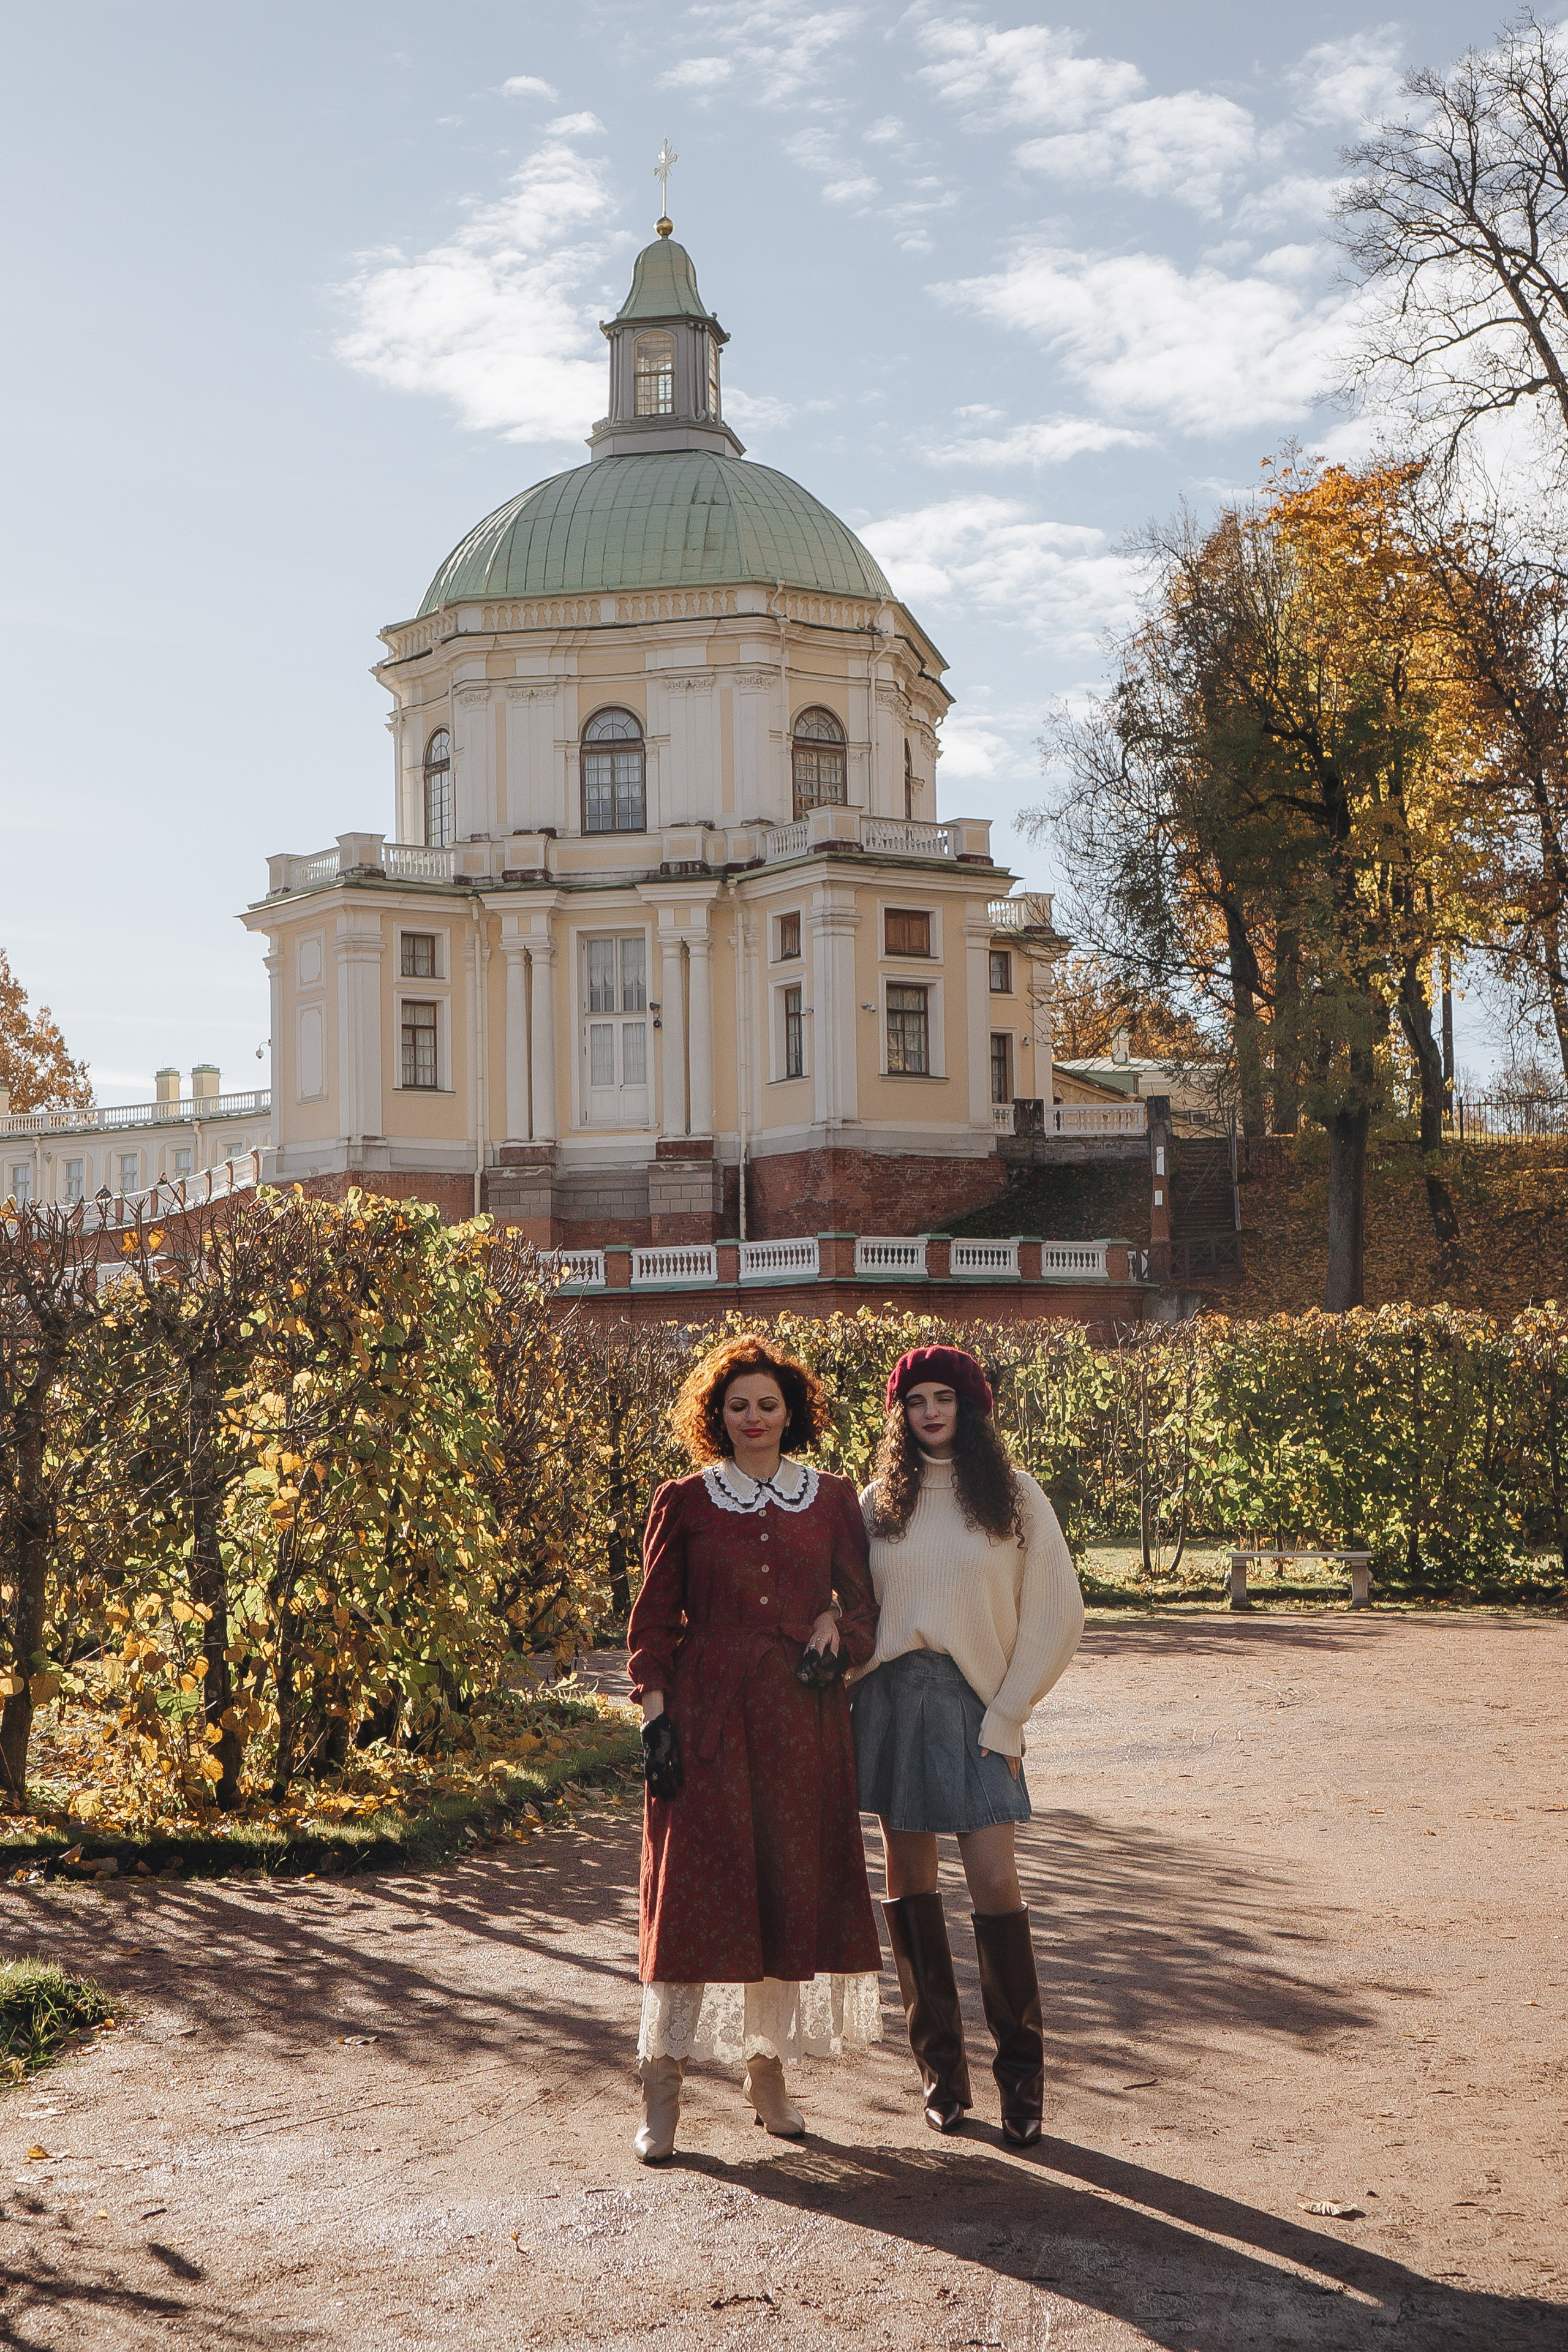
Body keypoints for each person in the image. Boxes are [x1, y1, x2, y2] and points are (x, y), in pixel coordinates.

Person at [625, 1332, 883, 2165]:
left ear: (791, 1411)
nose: (754, 1418)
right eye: (738, 1405)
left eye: (768, 1404)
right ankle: (661, 2086)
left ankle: (766, 2075)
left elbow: (866, 1611)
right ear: (717, 1415)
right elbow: (653, 1624)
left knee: (784, 1889)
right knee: (693, 1897)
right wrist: (655, 1718)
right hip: (705, 1720)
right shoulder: (687, 1500)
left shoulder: (833, 1496)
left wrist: (831, 1623)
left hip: (800, 1724)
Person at [852, 1344, 1084, 2146]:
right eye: (914, 1400)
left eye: (943, 1397)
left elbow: (1059, 1612)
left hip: (979, 1708)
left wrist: (1010, 1714)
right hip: (891, 1704)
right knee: (910, 1880)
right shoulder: (877, 1502)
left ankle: (1022, 2083)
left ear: (971, 1406)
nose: (929, 1411)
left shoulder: (1015, 1498)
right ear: (899, 1415)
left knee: (993, 1881)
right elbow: (846, 1611)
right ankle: (940, 2074)